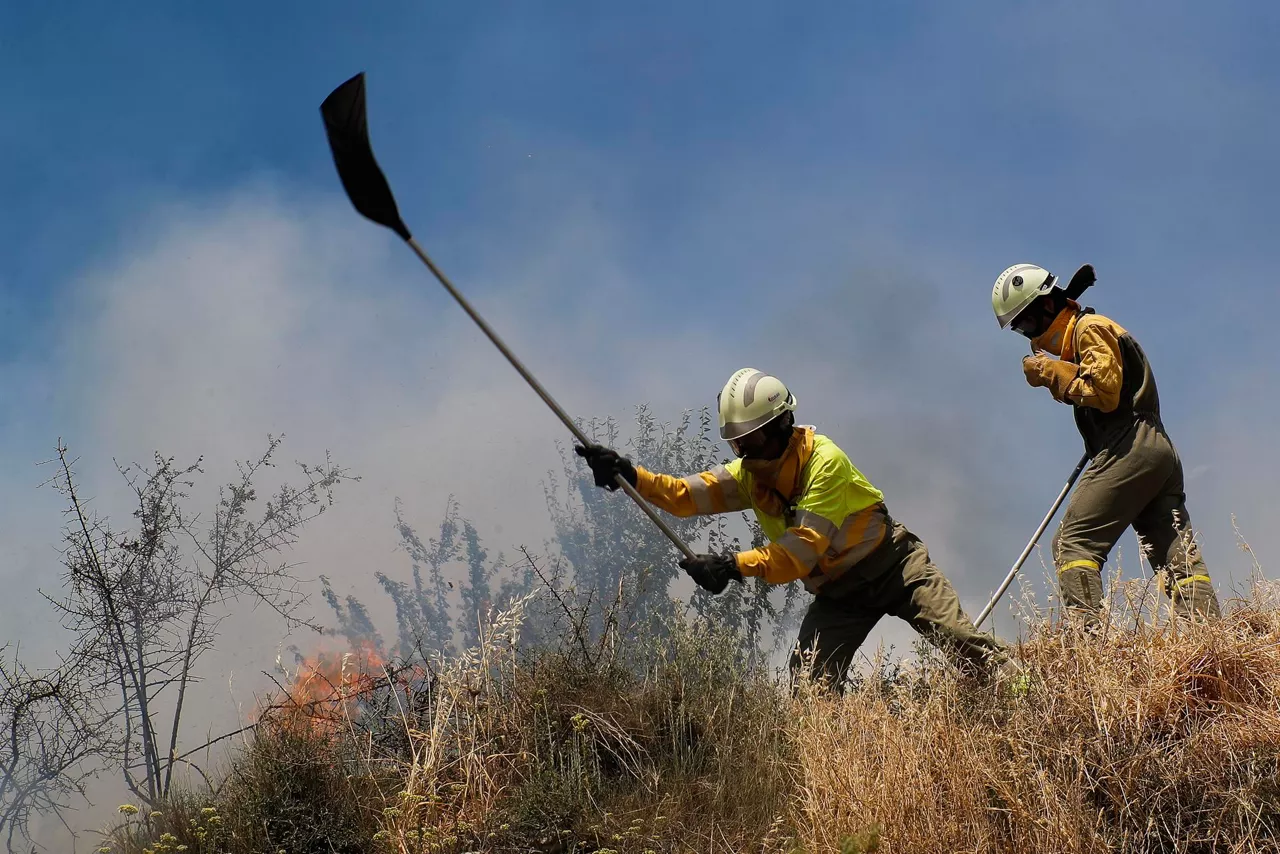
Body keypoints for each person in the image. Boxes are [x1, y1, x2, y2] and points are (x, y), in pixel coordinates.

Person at [575, 368, 1013, 689]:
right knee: (810, 688)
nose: (743, 451)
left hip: (895, 569)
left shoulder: (825, 461)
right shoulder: (750, 474)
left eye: (751, 439)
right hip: (838, 597)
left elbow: (801, 552)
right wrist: (630, 475)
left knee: (965, 646)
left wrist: (731, 566)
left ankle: (1031, 695)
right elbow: (684, 496)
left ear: (782, 425)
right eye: (736, 443)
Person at [991, 263, 1221, 624]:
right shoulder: (1080, 339)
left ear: (1049, 305)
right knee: (1176, 557)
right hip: (1154, 452)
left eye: (1027, 323)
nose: (1027, 334)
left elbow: (1106, 394)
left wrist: (1052, 373)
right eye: (1019, 328)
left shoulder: (1089, 328)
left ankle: (1091, 648)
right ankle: (1212, 644)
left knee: (1072, 542)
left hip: (1130, 443)